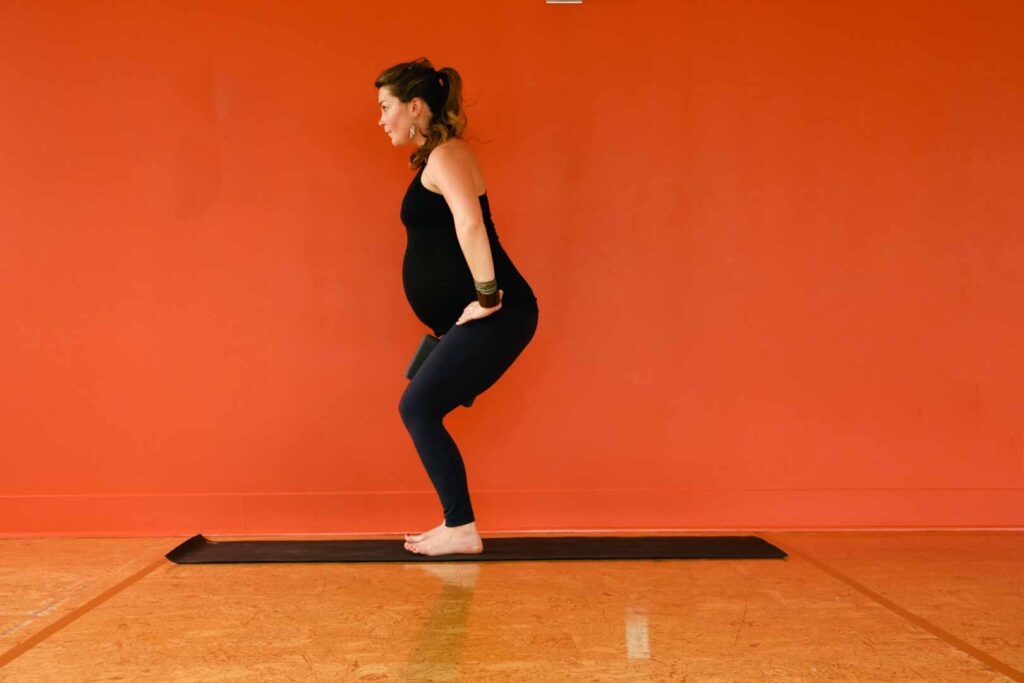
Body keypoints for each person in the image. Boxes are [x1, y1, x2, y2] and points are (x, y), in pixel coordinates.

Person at [375, 58, 539, 556]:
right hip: (482, 315)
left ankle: (461, 528)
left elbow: (470, 225)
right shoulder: (438, 159)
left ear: (415, 106)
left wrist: (487, 298)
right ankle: (458, 525)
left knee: (417, 407)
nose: (382, 120)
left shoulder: (446, 156)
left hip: (502, 311)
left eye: (387, 107)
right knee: (422, 406)